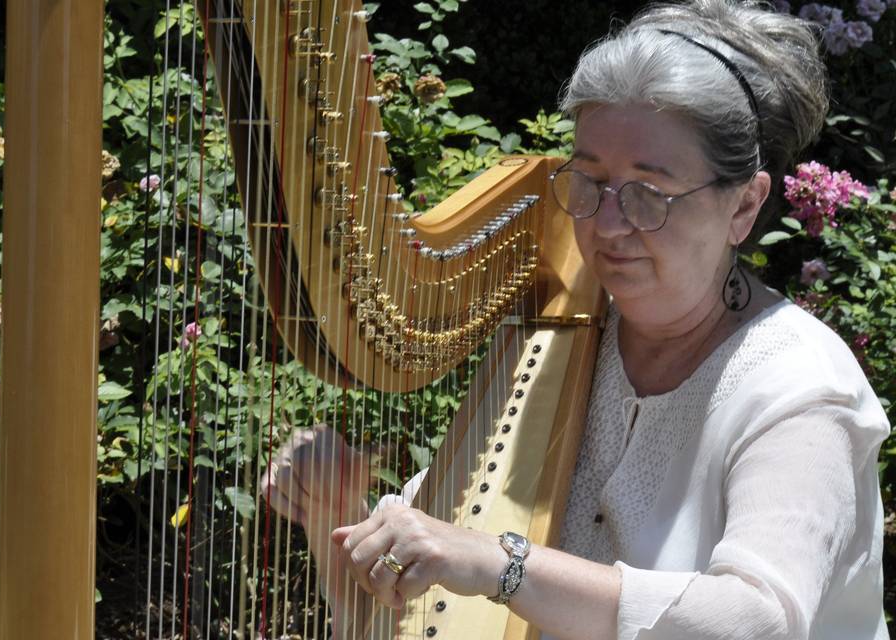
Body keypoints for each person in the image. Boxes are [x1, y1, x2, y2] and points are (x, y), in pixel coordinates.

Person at [262, 0, 891, 637]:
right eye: (588, 182)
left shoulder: (800, 390)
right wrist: (333, 513)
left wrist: (500, 563)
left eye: (648, 193)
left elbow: (761, 621)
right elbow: (389, 619)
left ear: (744, 205)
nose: (608, 225)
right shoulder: (570, 341)